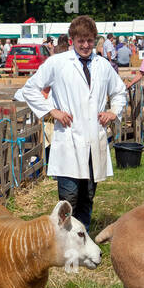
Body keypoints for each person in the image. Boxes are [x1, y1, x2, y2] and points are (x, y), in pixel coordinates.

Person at [15, 16, 126, 228]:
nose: (85, 45)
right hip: (69, 138)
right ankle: (63, 238)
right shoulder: (58, 63)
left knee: (88, 194)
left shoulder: (103, 65)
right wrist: (52, 111)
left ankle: (82, 235)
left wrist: (113, 111)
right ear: (72, 39)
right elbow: (30, 88)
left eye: (90, 41)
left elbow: (119, 91)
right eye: (80, 41)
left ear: (95, 40)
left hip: (94, 137)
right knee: (69, 195)